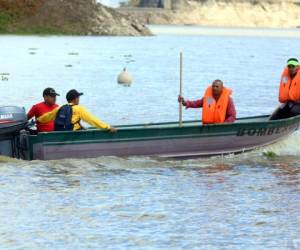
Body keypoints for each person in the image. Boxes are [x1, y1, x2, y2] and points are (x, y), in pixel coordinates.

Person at [37, 89, 117, 132]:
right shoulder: (79, 108)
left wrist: (38, 120)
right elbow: (92, 120)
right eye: (78, 97)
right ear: (75, 99)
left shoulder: (60, 108)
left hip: (58, 134)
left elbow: (47, 117)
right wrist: (107, 127)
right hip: (72, 134)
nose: (79, 99)